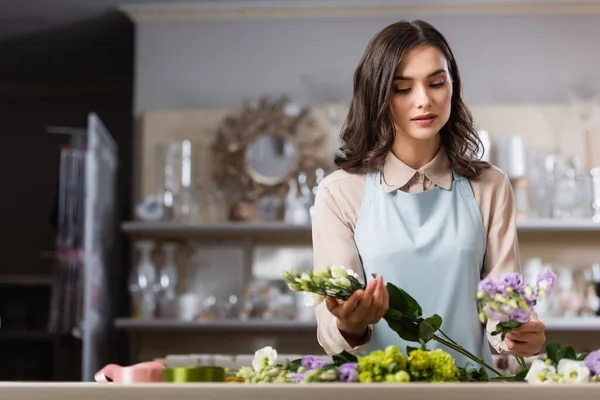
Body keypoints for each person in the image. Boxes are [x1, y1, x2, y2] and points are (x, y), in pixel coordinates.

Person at [312, 20, 546, 370]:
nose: (423, 100)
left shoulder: (490, 186)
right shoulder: (339, 193)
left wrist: (519, 334)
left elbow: (502, 307)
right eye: (402, 88)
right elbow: (331, 329)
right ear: (377, 96)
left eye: (436, 83)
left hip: (472, 391)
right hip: (380, 391)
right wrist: (349, 323)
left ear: (453, 85)